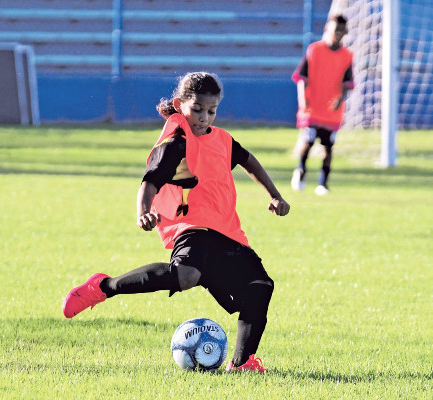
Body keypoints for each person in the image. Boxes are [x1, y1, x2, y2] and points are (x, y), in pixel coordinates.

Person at [62, 72, 290, 373]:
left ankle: (242, 363)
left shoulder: (222, 139)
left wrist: (275, 195)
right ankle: (103, 286)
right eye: (197, 109)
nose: (204, 117)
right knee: (186, 275)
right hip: (191, 226)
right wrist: (143, 211)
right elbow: (150, 181)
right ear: (180, 104)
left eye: (211, 110)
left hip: (227, 230)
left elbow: (249, 161)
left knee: (260, 286)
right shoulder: (176, 144)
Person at [291, 14, 354, 195]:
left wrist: (340, 99)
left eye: (341, 30)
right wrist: (303, 99)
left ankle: (323, 183)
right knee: (308, 141)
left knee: (328, 147)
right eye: (335, 30)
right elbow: (301, 77)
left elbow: (347, 83)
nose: (338, 34)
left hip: (332, 111)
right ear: (327, 29)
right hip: (312, 108)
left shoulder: (347, 56)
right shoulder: (314, 50)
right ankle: (301, 170)